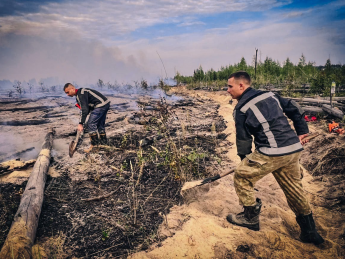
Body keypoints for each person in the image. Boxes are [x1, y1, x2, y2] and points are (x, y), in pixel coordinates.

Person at [226, 71, 324, 245]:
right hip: (293, 148)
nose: (227, 90)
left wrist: (244, 161)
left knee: (241, 176)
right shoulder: (271, 95)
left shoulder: (241, 109)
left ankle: (250, 218)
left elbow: (243, 141)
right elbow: (295, 108)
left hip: (271, 152)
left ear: (242, 86)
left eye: (230, 86)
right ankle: (310, 232)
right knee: (294, 189)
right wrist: (302, 131)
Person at [64, 83, 110, 152]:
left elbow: (85, 110)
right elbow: (87, 109)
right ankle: (104, 144)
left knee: (91, 124)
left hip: (100, 105)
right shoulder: (81, 93)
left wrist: (80, 123)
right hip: (105, 104)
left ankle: (94, 147)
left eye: (68, 92)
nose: (67, 94)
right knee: (100, 125)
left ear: (72, 89)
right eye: (66, 93)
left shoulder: (80, 95)